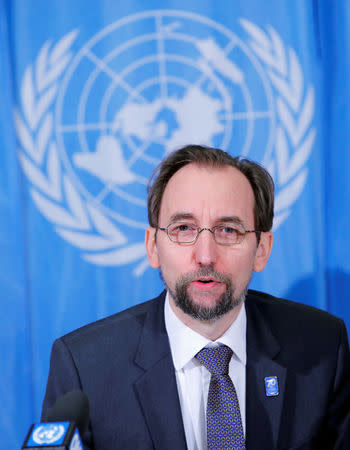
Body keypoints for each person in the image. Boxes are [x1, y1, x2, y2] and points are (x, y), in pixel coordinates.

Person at [42, 145, 350, 450]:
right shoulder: (84, 366)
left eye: (228, 230)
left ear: (262, 250)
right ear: (152, 246)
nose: (205, 256)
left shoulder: (321, 346)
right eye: (183, 228)